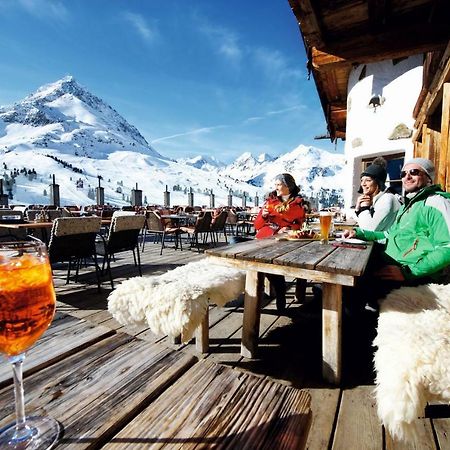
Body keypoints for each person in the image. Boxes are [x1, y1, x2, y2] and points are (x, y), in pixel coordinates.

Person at [344, 157, 450, 311]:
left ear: (428, 178)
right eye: (403, 173)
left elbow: (447, 247)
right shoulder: (409, 205)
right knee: (350, 265)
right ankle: (330, 306)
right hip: (392, 264)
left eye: (414, 172)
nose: (407, 177)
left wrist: (408, 272)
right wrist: (358, 233)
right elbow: (388, 235)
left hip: (413, 274)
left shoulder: (436, 202)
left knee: (353, 280)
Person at [253, 173, 306, 311]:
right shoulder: (269, 202)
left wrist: (288, 227)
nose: (276, 187)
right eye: (275, 185)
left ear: (288, 186)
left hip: (287, 239)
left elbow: (299, 223)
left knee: (292, 258)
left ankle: (287, 291)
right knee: (267, 259)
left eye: (278, 184)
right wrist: (264, 216)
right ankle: (280, 291)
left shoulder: (298, 203)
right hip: (266, 237)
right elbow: (257, 226)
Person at [354, 157, 401, 231]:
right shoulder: (378, 199)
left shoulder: (387, 199)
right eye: (362, 180)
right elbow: (364, 224)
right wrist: (358, 209)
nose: (363, 184)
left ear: (378, 183)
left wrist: (364, 208)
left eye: (368, 180)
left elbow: (368, 230)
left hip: (385, 242)